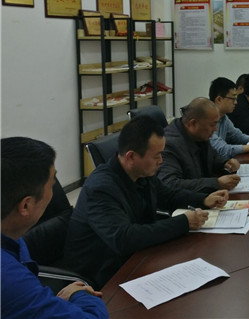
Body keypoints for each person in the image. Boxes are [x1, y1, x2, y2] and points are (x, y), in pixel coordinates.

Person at [65, 117, 229, 289]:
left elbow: (167, 195)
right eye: (156, 156)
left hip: (136, 257)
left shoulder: (141, 172)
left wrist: (203, 199)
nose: (161, 161)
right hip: (102, 275)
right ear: (131, 156)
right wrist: (184, 222)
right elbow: (124, 239)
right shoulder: (100, 189)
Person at [1, 137, 108, 319]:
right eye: (51, 184)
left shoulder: (11, 236)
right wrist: (80, 294)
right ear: (26, 206)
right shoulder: (8, 277)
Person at [158, 98, 241, 192]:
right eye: (212, 125)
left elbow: (212, 157)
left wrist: (225, 163)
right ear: (193, 123)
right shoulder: (169, 145)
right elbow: (169, 184)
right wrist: (216, 183)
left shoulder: (199, 135)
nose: (215, 129)